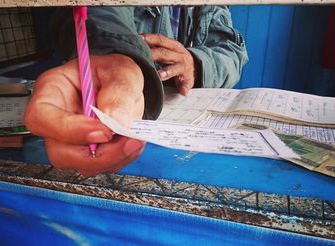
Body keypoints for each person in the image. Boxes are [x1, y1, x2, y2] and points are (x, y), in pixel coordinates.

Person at [24, 6, 248, 177]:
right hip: (129, 132)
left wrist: (196, 64)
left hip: (191, 148)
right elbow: (99, 10)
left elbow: (232, 51)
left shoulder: (210, 6)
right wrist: (114, 53)